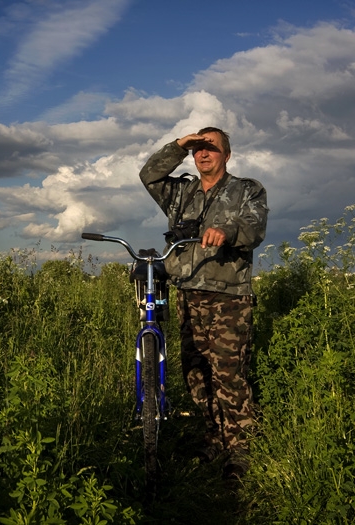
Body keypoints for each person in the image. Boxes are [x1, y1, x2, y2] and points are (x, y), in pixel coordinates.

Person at [139, 127, 268, 479]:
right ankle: (213, 435)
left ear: (226, 154)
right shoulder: (182, 192)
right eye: (198, 149)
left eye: (211, 147)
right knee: (196, 371)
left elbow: (255, 227)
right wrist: (179, 145)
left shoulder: (246, 190)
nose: (203, 154)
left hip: (228, 295)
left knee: (229, 372)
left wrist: (227, 233)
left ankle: (240, 448)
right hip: (187, 292)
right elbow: (149, 174)